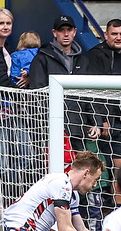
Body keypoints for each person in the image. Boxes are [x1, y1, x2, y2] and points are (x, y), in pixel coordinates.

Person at [28, 15, 98, 151]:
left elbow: (89, 94)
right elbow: (37, 95)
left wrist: (95, 121)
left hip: (78, 128)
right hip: (50, 130)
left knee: (80, 169)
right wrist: (43, 126)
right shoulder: (42, 59)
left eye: (69, 30)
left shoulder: (83, 61)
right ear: (54, 33)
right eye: (61, 30)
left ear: (74, 32)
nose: (66, 34)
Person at [86, 19, 121, 170]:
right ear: (106, 35)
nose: (118, 37)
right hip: (102, 125)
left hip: (120, 124)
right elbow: (92, 90)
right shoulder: (95, 55)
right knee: (102, 172)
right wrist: (101, 119)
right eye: (114, 34)